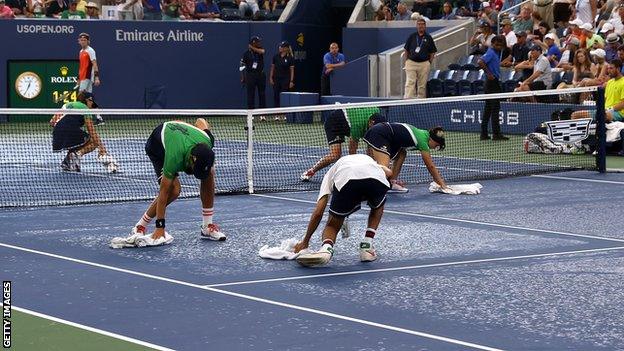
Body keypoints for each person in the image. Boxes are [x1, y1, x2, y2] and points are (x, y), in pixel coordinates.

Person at [112, 118, 226, 248]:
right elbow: (164, 191)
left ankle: (207, 226)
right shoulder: (174, 156)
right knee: (173, 190)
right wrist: (160, 227)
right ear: (192, 159)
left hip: (179, 137)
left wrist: (186, 129)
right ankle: (139, 226)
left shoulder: (208, 141)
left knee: (209, 174)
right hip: (158, 146)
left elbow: (201, 121)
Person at [294, 154, 391, 267]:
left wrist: (305, 241)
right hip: (376, 177)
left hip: (347, 181)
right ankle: (367, 246)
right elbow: (389, 172)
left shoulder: (329, 175)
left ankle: (326, 249)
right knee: (378, 205)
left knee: (332, 225)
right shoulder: (371, 162)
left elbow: (318, 213)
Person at [300, 108, 385, 182]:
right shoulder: (358, 126)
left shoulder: (377, 114)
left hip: (349, 121)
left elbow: (371, 147)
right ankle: (311, 171)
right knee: (335, 155)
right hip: (335, 123)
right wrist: (356, 169)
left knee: (371, 150)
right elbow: (352, 152)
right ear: (371, 122)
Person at [363, 122, 448, 193]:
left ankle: (392, 182)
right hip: (380, 133)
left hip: (389, 137)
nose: (434, 148)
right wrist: (442, 184)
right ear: (431, 140)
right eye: (436, 145)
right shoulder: (423, 141)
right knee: (384, 168)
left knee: (402, 153)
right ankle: (368, 187)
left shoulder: (424, 134)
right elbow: (430, 166)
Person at [50, 92, 118, 173]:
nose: (92, 105)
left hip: (57, 133)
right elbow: (92, 131)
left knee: (77, 143)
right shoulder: (85, 109)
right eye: (92, 102)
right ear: (88, 100)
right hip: (70, 131)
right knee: (94, 141)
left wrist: (65, 127)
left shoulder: (67, 104)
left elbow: (52, 122)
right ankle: (78, 154)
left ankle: (67, 162)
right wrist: (102, 149)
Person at [478, 35, 509, 141]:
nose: (499, 46)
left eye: (501, 45)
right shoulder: (491, 52)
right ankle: (496, 134)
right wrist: (489, 73)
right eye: (497, 44)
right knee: (495, 109)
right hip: (492, 83)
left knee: (488, 109)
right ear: (493, 44)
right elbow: (480, 62)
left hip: (492, 82)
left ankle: (484, 133)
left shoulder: (496, 53)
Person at [403, 18, 437, 99]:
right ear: (416, 26)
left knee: (422, 85)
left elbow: (433, 51)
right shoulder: (412, 36)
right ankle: (408, 100)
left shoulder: (428, 37)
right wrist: (407, 61)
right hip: (411, 63)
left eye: (422, 24)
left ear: (425, 26)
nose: (420, 26)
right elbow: (406, 49)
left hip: (424, 64)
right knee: (410, 82)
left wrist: (429, 62)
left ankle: (421, 101)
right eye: (419, 24)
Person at [240, 36, 267, 113]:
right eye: (258, 42)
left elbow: (263, 51)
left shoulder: (260, 51)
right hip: (251, 75)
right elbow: (242, 65)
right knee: (250, 94)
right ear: (254, 43)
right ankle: (251, 113)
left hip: (260, 75)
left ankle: (262, 113)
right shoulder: (246, 54)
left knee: (262, 94)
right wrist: (242, 76)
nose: (259, 43)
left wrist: (252, 47)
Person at [269, 41, 294, 112]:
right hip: (276, 79)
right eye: (280, 47)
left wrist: (291, 81)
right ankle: (277, 114)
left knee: (284, 97)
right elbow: (272, 68)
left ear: (286, 48)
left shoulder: (290, 58)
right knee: (276, 96)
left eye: (282, 47)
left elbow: (292, 70)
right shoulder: (275, 57)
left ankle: (284, 113)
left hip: (285, 80)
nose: (280, 48)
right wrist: (271, 77)